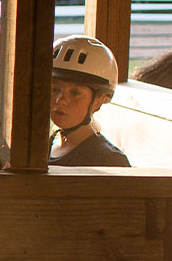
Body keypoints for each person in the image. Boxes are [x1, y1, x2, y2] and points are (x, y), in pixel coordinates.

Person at [49, 35, 131, 167]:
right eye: (55, 89)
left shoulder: (109, 161)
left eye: (75, 93)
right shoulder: (43, 148)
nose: (60, 100)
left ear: (98, 100)